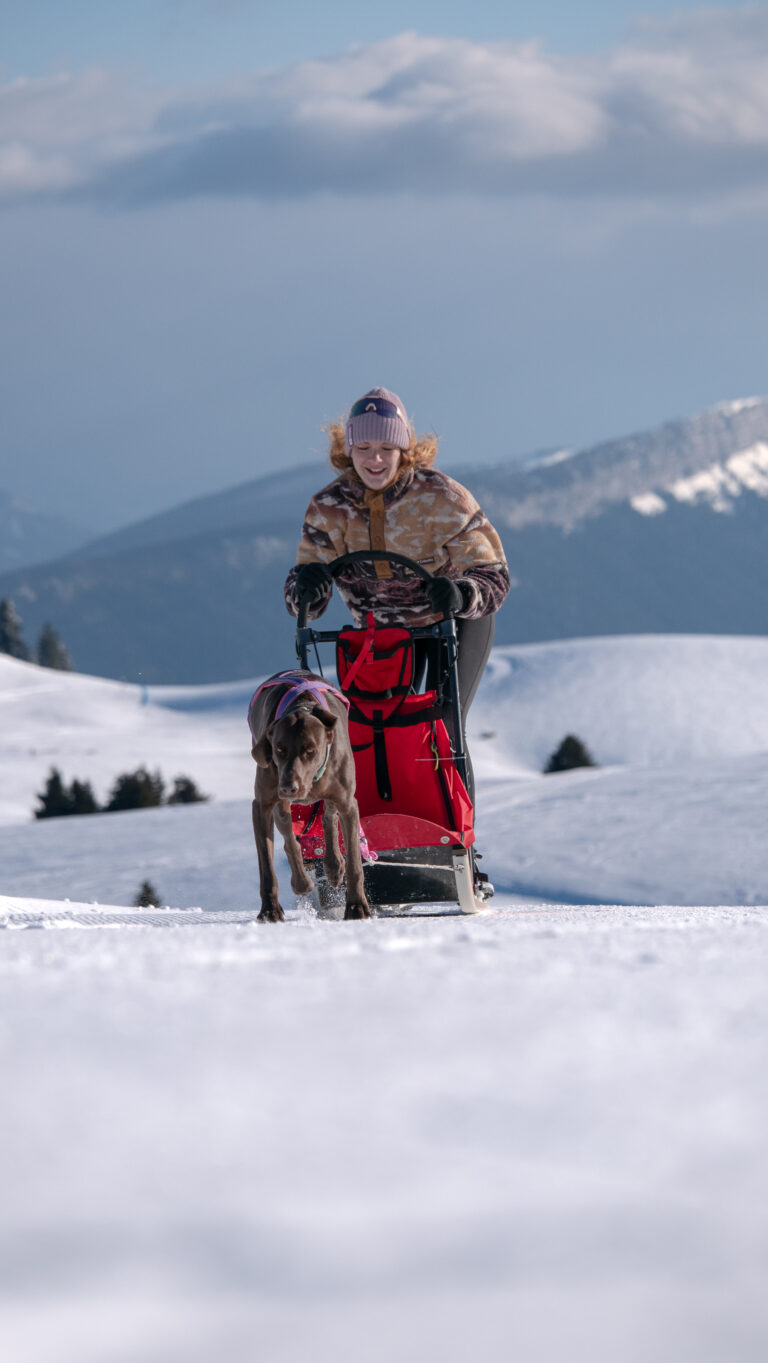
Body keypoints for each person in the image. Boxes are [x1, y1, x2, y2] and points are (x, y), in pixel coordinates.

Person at [284, 386, 510, 805]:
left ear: (404, 447)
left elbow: (495, 576)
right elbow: (302, 601)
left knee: (443, 723)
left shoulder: (442, 497)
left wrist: (461, 594)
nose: (374, 459)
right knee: (370, 727)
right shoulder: (328, 507)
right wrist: (309, 589)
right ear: (347, 448)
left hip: (452, 620)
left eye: (386, 447)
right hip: (379, 633)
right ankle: (375, 831)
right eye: (364, 447)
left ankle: (458, 842)